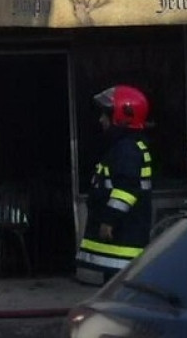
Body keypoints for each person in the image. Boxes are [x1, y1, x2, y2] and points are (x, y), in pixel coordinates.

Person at [75, 84, 153, 285]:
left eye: (105, 115)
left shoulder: (126, 150)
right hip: (122, 240)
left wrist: (109, 220)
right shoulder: (125, 146)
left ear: (121, 117)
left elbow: (126, 189)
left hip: (123, 239)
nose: (101, 120)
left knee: (119, 294)